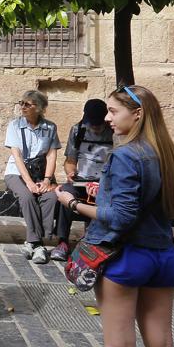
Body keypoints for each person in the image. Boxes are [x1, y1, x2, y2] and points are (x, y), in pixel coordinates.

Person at [54, 86, 174, 347]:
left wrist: (71, 202)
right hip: (162, 256)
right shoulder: (172, 155)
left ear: (138, 114)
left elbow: (121, 217)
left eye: (114, 112)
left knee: (119, 345)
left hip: (124, 257)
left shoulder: (126, 155)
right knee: (162, 345)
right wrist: (109, 189)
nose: (108, 119)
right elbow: (157, 194)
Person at [4, 89, 62, 264]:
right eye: (21, 103)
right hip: (17, 172)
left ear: (40, 108)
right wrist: (29, 182)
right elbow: (17, 156)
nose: (23, 106)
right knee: (27, 196)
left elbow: (52, 155)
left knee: (51, 196)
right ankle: (38, 243)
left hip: (41, 172)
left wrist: (46, 180)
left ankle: (32, 242)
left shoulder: (50, 127)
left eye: (28, 104)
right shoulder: (14, 125)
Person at [53, 98, 115, 260]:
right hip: (82, 179)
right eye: (92, 123)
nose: (94, 126)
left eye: (98, 123)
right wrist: (70, 172)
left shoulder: (115, 132)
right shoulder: (78, 130)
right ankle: (62, 241)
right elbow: (70, 161)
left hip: (105, 181)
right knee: (65, 193)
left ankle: (94, 239)